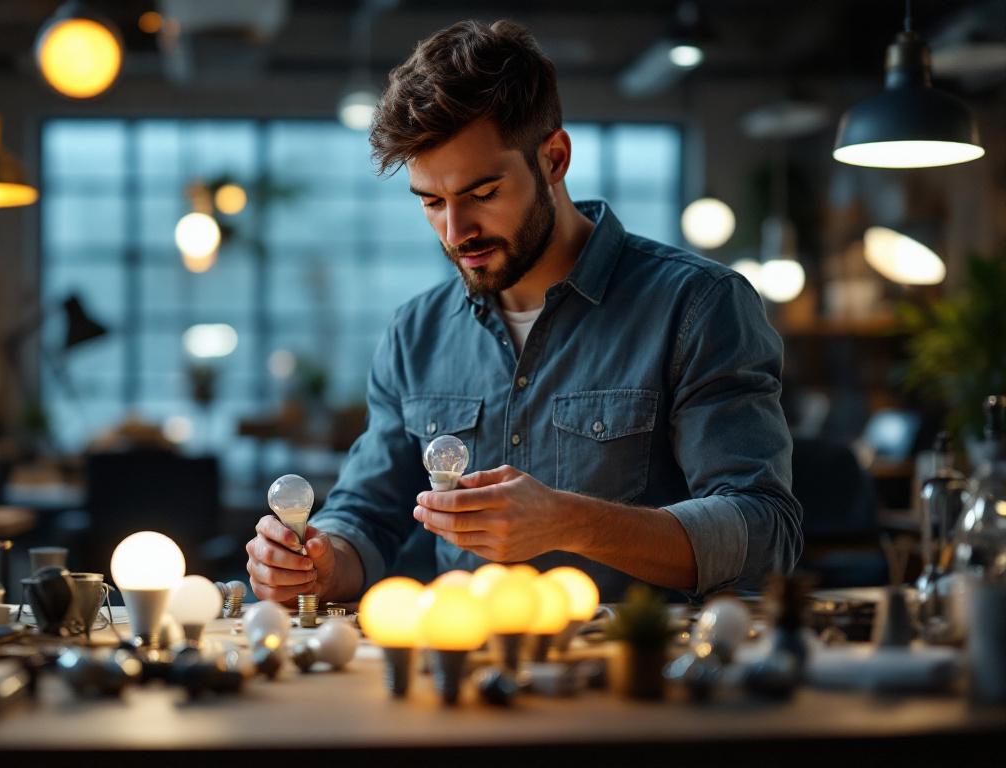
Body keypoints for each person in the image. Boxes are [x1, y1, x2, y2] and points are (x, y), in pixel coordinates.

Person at [245, 19, 802, 604]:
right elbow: (368, 514)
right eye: (432, 202)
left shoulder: (696, 306)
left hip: (638, 679)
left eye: (482, 194)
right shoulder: (416, 333)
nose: (456, 232)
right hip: (463, 676)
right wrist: (319, 562)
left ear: (554, 159)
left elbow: (766, 533)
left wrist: (572, 522)